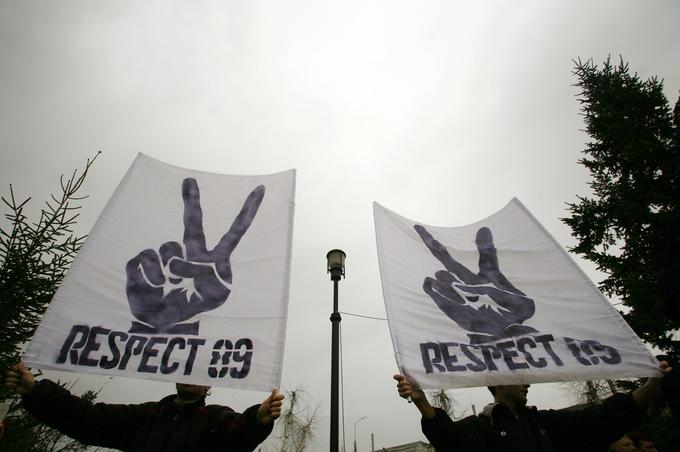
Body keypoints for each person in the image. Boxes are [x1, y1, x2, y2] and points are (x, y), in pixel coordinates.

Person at [393, 361, 672, 452]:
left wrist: (648, 389)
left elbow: (599, 421)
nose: (527, 383)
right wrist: (423, 403)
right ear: (498, 384)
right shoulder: (480, 427)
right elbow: (451, 440)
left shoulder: (546, 424)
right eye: (519, 378)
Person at [5, 362, 284, 451]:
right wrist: (36, 391)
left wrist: (256, 419)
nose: (190, 379)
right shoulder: (145, 414)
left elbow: (236, 437)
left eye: (199, 376)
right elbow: (87, 418)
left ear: (208, 387)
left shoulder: (216, 418)